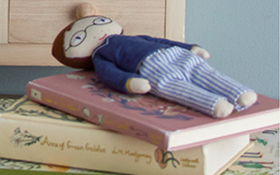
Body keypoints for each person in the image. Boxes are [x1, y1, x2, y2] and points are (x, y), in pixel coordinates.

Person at [53, 13, 258, 118]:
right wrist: (130, 82)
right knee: (180, 90)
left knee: (206, 73)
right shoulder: (100, 57)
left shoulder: (137, 37)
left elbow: (161, 41)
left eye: (96, 24)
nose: (95, 32)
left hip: (174, 55)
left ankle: (238, 93)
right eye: (80, 37)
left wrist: (190, 48)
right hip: (151, 70)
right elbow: (109, 74)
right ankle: (214, 104)